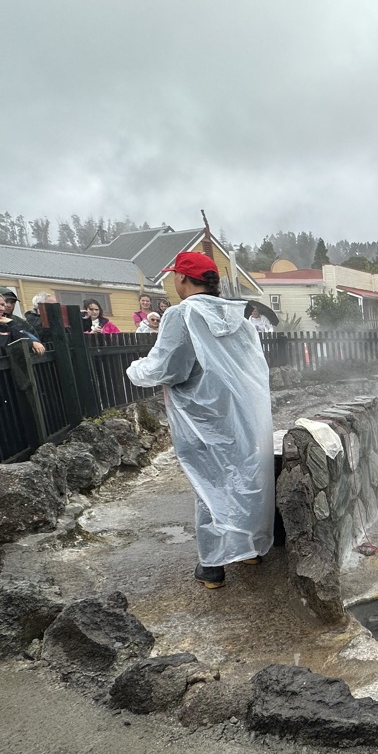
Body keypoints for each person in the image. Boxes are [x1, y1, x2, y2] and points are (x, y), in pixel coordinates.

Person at [126, 251, 274, 588]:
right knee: (246, 477)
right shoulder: (239, 316)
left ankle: (212, 567)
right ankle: (249, 549)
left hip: (202, 417)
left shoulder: (182, 315)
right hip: (244, 413)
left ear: (181, 278)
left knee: (209, 485)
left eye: (173, 277)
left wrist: (135, 369)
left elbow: (169, 368)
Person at [0, 288, 45, 354]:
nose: (1, 308)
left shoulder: (8, 324)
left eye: (2, 305)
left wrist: (12, 324)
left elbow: (26, 341)